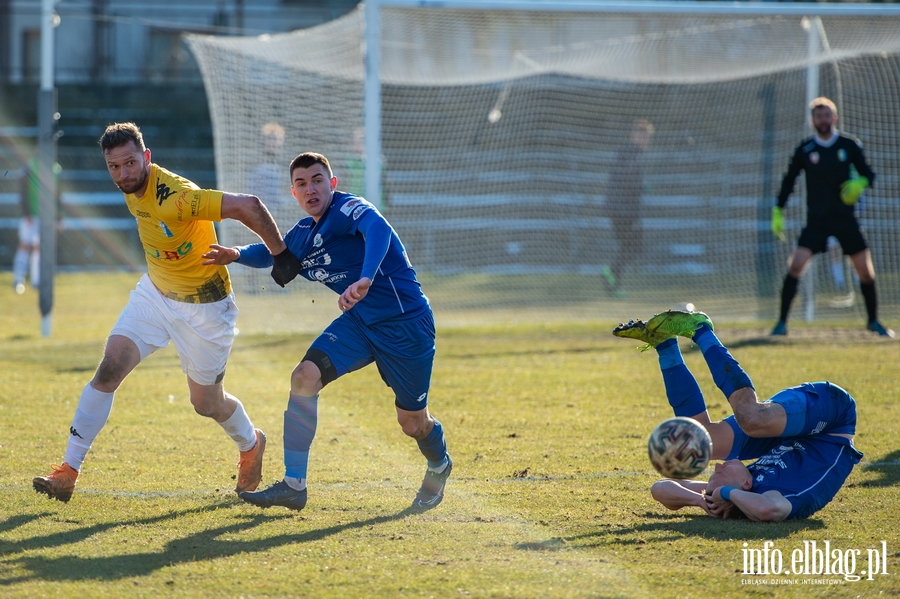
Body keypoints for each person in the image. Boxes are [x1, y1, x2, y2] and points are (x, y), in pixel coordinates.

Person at [32, 122, 302, 503]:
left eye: (129, 163)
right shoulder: (131, 187)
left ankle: (251, 443)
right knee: (109, 370)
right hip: (155, 295)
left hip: (205, 308)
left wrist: (281, 254)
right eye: (114, 166)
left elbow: (249, 205)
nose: (122, 173)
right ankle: (68, 471)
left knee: (206, 403)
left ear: (146, 158)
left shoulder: (176, 196)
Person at [201, 151, 451, 512]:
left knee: (412, 423)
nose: (311, 189)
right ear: (293, 193)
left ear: (332, 183)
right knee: (304, 376)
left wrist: (365, 278)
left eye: (318, 180)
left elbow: (379, 229)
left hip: (405, 324)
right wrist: (235, 253)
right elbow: (276, 254)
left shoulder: (350, 210)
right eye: (302, 184)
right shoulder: (303, 233)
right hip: (359, 324)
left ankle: (439, 465)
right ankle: (293, 485)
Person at [613, 310, 863, 521]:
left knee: (701, 444)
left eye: (715, 475)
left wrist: (702, 502)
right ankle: (701, 329)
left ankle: (664, 344)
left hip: (784, 437)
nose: (718, 467)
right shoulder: (767, 497)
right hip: (832, 417)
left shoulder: (737, 491)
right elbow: (770, 509)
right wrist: (723, 493)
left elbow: (660, 488)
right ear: (743, 485)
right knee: (751, 418)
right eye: (719, 474)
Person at [770, 96, 892, 337]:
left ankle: (873, 321)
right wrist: (778, 210)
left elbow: (869, 174)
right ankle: (781, 323)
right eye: (819, 116)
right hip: (817, 221)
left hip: (846, 219)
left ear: (834, 118)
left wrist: (859, 182)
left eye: (827, 115)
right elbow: (789, 180)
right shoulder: (806, 150)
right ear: (812, 120)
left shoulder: (849, 145)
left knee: (865, 272)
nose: (823, 120)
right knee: (795, 266)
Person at [604, 119, 654, 298]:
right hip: (624, 210)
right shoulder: (631, 153)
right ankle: (611, 272)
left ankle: (614, 286)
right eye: (642, 135)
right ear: (633, 135)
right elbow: (627, 179)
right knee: (633, 247)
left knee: (627, 247)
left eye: (647, 137)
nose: (645, 140)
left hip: (619, 209)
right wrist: (642, 185)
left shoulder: (630, 153)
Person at [13, 157, 58, 294]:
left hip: (46, 216)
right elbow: (23, 189)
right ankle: (18, 279)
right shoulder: (30, 166)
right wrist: (26, 212)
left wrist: (58, 216)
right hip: (31, 216)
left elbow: (57, 193)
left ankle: (36, 281)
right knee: (25, 246)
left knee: (39, 248)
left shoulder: (56, 168)